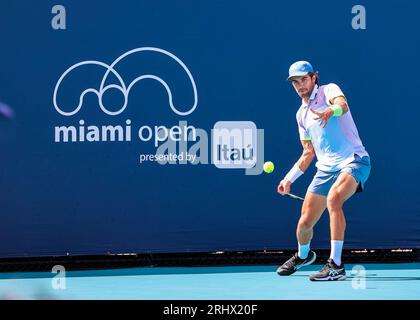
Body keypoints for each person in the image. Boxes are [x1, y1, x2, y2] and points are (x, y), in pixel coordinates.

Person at [277, 61, 371, 281]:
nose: (300, 85)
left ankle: (336, 265)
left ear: (313, 78)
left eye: (303, 80)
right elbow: (308, 152)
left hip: (354, 160)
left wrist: (331, 110)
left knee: (334, 198)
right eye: (295, 82)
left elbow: (343, 105)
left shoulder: (329, 90)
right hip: (325, 169)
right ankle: (303, 256)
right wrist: (288, 179)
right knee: (304, 223)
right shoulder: (301, 115)